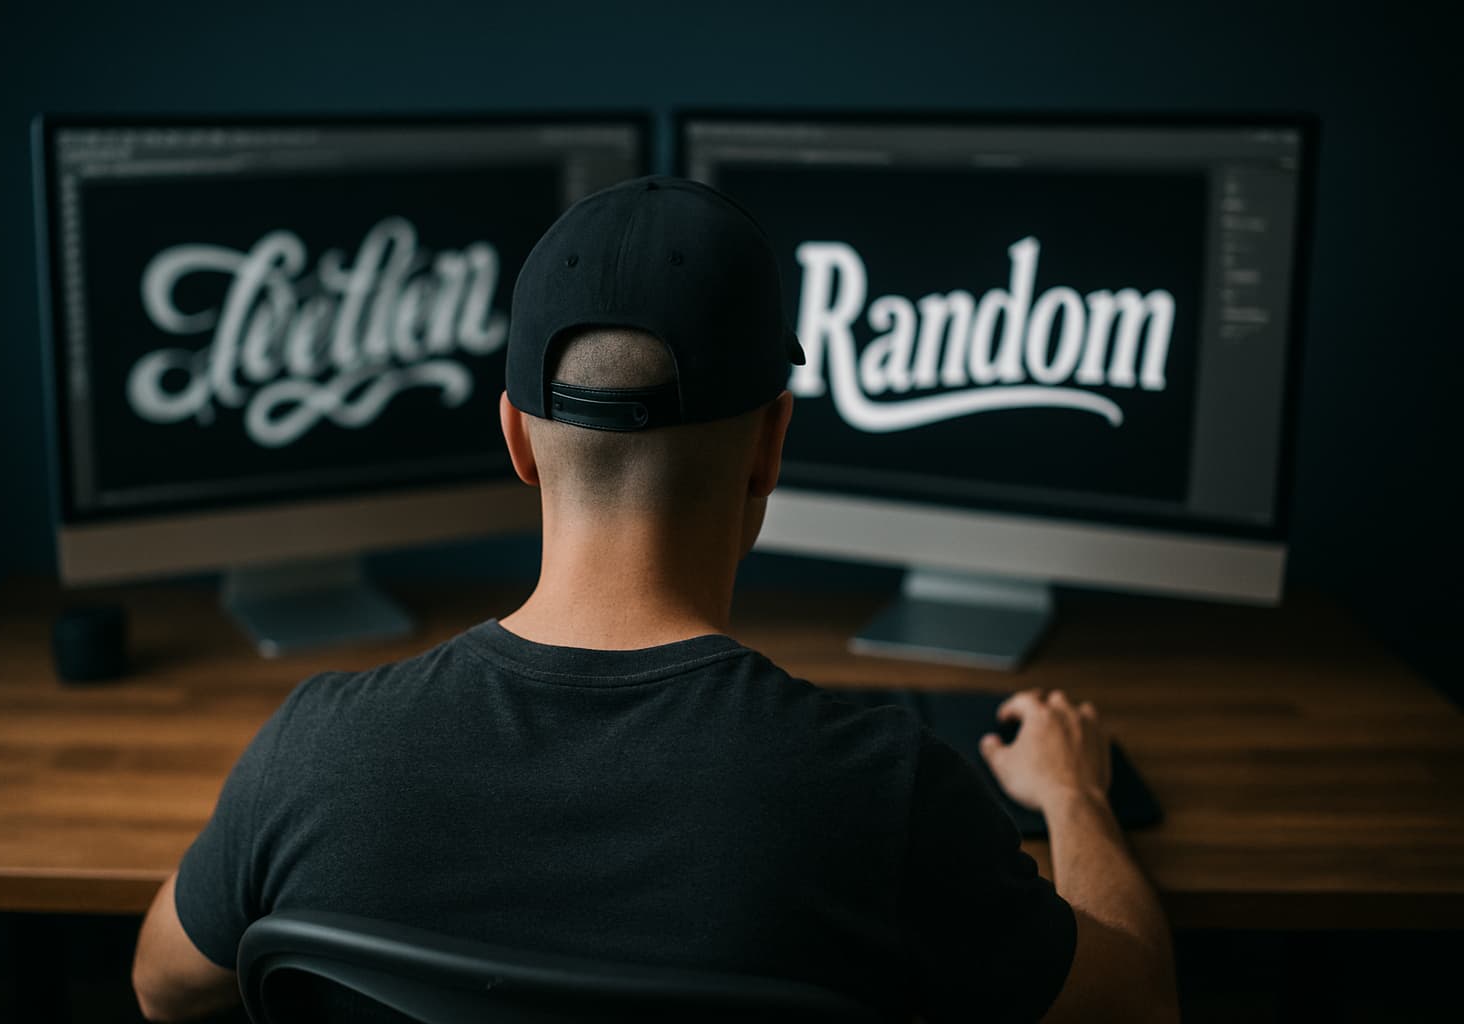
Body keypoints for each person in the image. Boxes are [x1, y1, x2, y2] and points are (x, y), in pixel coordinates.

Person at [133, 176, 1178, 1022]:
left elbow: (160, 985)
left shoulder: (312, 751)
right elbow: (1137, 1001)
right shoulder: (882, 797)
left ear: (515, 440)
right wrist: (1074, 795)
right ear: (772, 442)